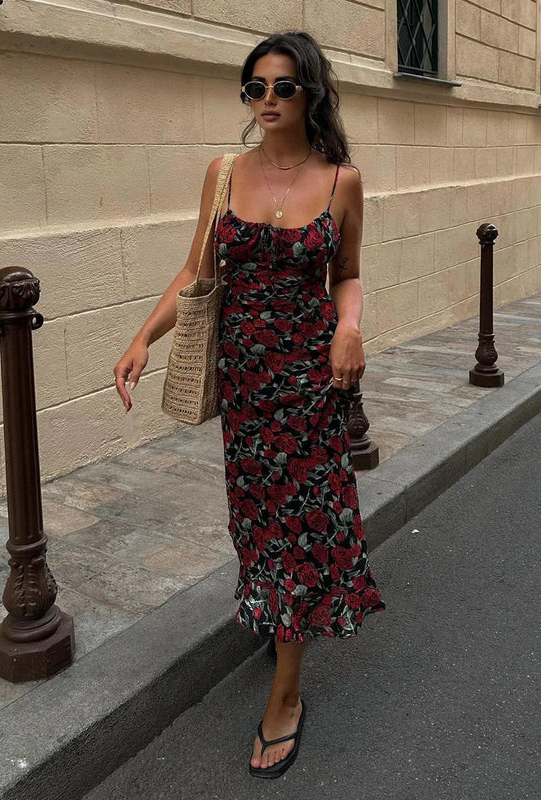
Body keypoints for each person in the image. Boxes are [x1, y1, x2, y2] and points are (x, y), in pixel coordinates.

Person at [113, 30, 386, 779]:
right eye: (255, 87)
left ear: (311, 94)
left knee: (304, 522)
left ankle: (287, 692)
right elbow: (195, 272)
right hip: (244, 381)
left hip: (310, 378)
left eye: (282, 87)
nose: (267, 99)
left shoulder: (342, 181)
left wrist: (351, 327)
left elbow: (347, 274)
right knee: (258, 517)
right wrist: (141, 339)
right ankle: (283, 613)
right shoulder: (224, 173)